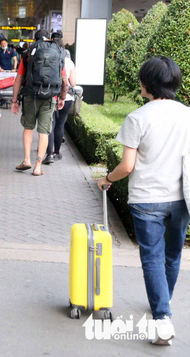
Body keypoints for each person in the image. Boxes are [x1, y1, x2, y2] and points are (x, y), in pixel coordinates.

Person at [97, 56, 190, 346]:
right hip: (181, 198)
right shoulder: (187, 115)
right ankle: (163, 303)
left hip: (148, 200)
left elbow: (126, 166)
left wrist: (108, 179)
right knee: (172, 256)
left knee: (151, 258)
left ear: (145, 83)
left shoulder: (138, 117)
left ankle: (163, 317)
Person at [11, 30, 67, 176]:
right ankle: (38, 166)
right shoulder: (58, 52)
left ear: (34, 40)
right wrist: (62, 98)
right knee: (44, 132)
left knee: (28, 128)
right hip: (50, 98)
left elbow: (18, 79)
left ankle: (27, 160)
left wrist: (14, 100)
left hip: (30, 96)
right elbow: (65, 81)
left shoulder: (29, 53)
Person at [44, 32, 75, 164]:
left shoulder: (46, 58)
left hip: (50, 96)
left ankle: (48, 153)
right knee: (60, 124)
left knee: (50, 125)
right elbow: (73, 83)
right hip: (66, 97)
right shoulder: (68, 61)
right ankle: (57, 152)